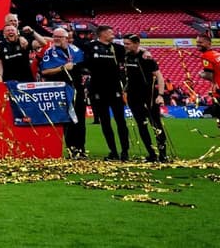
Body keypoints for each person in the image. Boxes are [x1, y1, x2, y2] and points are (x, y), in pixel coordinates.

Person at [40, 28, 87, 159]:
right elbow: (44, 71)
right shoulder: (50, 52)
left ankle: (81, 149)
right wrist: (62, 68)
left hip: (77, 89)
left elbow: (83, 66)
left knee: (80, 121)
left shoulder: (76, 51)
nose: (56, 39)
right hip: (60, 90)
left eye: (60, 37)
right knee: (67, 121)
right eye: (54, 36)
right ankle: (71, 149)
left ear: (67, 38)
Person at [85, 25, 129, 161]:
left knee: (121, 121)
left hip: (115, 89)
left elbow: (133, 51)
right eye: (110, 32)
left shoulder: (117, 48)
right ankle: (113, 151)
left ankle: (125, 151)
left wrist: (144, 51)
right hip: (98, 90)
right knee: (105, 122)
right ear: (102, 34)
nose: (113, 34)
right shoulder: (90, 47)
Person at [123, 34, 168, 162]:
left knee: (156, 124)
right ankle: (151, 154)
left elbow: (159, 76)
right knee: (141, 125)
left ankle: (163, 154)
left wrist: (160, 95)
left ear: (136, 43)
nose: (125, 46)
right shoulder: (126, 56)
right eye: (125, 43)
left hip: (149, 95)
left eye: (128, 44)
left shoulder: (146, 58)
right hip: (133, 95)